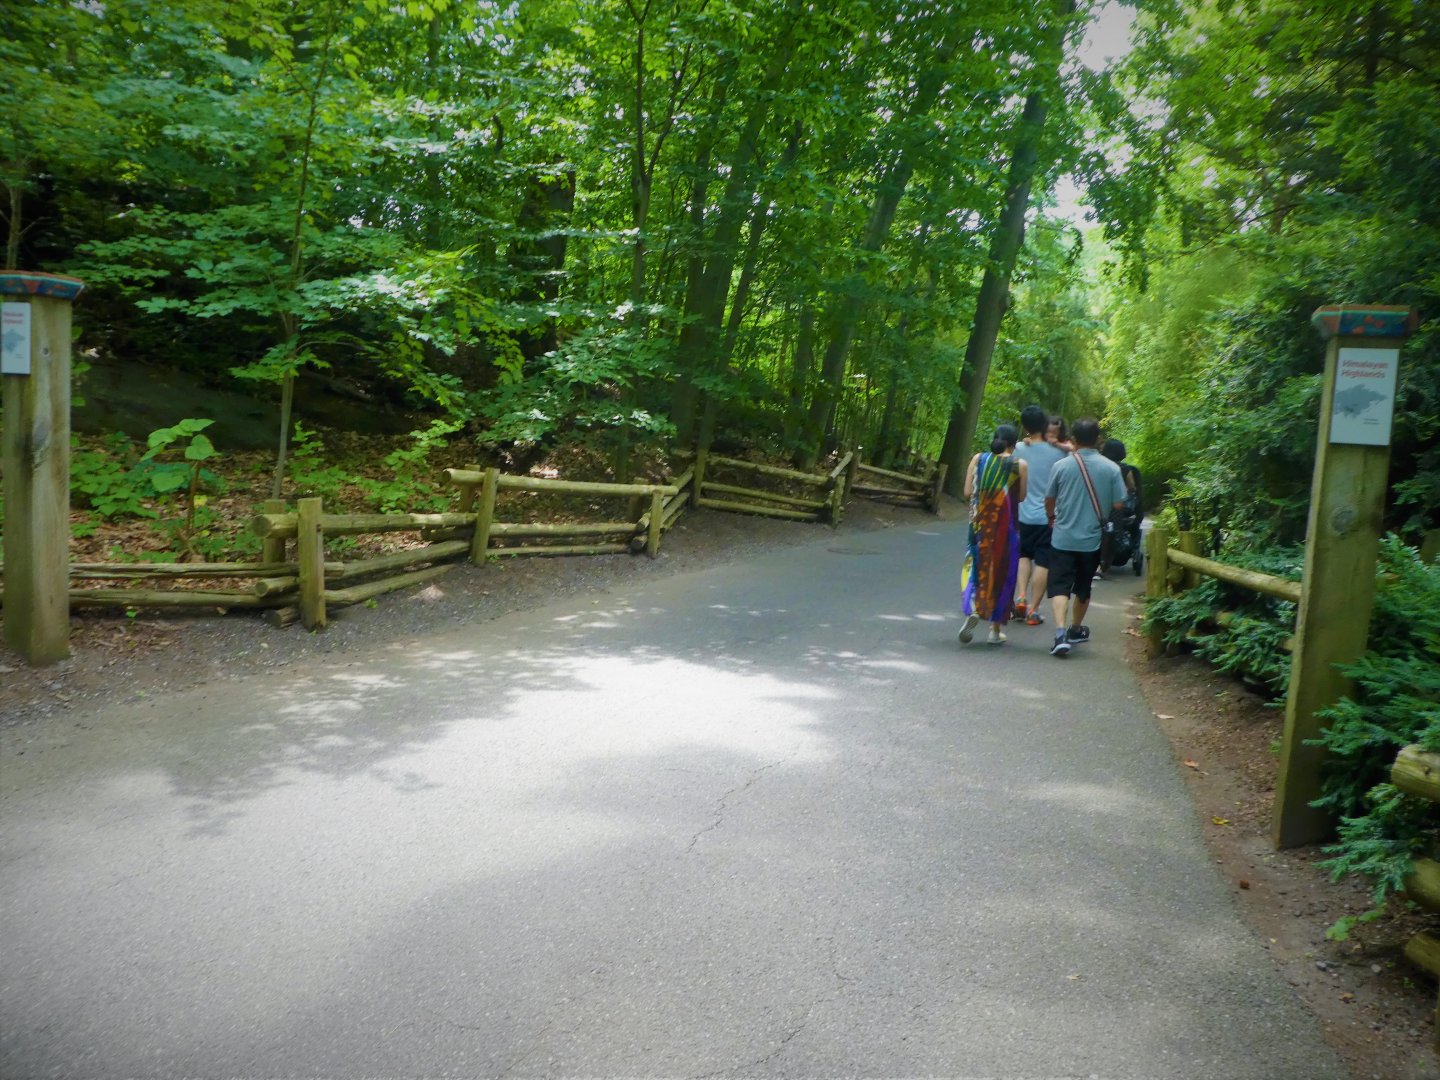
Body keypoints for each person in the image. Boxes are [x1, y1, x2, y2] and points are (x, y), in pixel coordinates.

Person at [1043, 417, 1127, 657]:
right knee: (1083, 586)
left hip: (1062, 537)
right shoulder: (1111, 468)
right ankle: (1075, 629)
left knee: (1059, 585)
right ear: (1098, 439)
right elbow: (1119, 504)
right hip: (1090, 540)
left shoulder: (1061, 466)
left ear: (1073, 439)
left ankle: (1060, 632)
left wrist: (1052, 516)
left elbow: (1049, 499)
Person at [959, 424, 1027, 646]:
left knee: (977, 565)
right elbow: (1021, 497)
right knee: (1002, 573)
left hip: (978, 526)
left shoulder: (978, 459)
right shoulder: (1020, 465)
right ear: (1014, 444)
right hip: (1006, 528)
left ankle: (975, 607)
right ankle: (994, 631)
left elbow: (968, 492)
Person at [1011, 404, 1068, 625]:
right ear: (1044, 423)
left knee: (1023, 556)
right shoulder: (1060, 452)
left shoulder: (1018, 449)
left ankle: (1022, 596)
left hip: (1023, 513)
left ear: (1025, 425)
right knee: (1043, 562)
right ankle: (1034, 612)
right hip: (1049, 516)